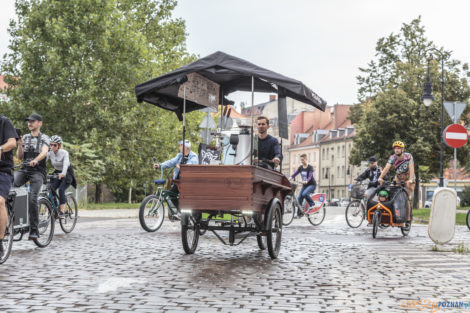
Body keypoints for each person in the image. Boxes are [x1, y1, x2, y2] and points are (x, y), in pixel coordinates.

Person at [14, 113, 50, 240]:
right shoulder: (26, 137)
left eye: (33, 121)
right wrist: (19, 144)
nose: (30, 123)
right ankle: (15, 223)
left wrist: (35, 160)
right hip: (24, 169)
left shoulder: (45, 137)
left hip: (38, 171)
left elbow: (44, 152)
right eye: (28, 121)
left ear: (39, 123)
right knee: (10, 189)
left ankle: (34, 230)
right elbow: (19, 157)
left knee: (33, 198)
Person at [153, 140, 198, 208]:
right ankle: (179, 211)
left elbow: (191, 165)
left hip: (188, 182)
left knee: (179, 196)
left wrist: (182, 167)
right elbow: (171, 162)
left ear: (186, 147)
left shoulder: (193, 156)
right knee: (171, 195)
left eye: (181, 145)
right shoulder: (179, 155)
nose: (179, 147)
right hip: (178, 181)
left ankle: (183, 212)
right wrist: (160, 165)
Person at [0, 115, 19, 257]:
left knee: (0, 202)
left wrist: (0, 149)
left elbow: (12, 143)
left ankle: (0, 240)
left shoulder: (4, 122)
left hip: (3, 171)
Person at [46, 135, 77, 217]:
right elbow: (43, 162)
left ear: (59, 145)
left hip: (67, 173)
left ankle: (62, 211)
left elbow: (65, 165)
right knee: (51, 189)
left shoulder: (64, 153)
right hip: (57, 172)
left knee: (61, 190)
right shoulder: (49, 153)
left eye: (54, 145)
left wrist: (63, 173)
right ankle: (55, 208)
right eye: (51, 144)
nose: (52, 146)